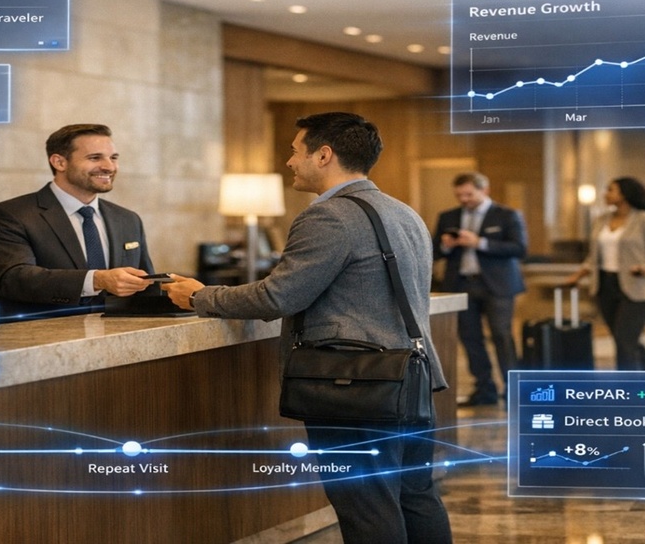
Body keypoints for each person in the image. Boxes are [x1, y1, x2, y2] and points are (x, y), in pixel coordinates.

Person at [161, 112, 452, 544]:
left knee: (367, 505)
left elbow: (277, 297)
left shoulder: (329, 216)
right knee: (416, 496)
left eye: (296, 151)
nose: (290, 161)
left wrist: (200, 296)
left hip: (355, 385)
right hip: (411, 378)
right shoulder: (402, 211)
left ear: (324, 154)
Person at [0, 124, 154, 319]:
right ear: (59, 162)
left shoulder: (128, 219)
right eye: (95, 158)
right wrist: (97, 280)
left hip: (118, 334)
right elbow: (14, 279)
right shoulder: (7, 216)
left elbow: (145, 288)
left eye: (113, 158)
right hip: (37, 333)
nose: (109, 167)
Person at [433, 172, 526, 407]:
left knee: (502, 336)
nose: (464, 199)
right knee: (470, 339)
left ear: (484, 190)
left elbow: (519, 248)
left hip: (497, 285)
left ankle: (514, 389)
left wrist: (479, 243)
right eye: (459, 195)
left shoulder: (507, 215)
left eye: (469, 194)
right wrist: (445, 246)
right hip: (462, 284)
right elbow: (434, 251)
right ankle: (484, 390)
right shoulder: (448, 216)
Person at [564, 177, 645, 370]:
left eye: (611, 190)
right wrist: (578, 276)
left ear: (625, 194)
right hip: (606, 285)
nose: (605, 194)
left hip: (639, 285)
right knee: (624, 339)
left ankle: (627, 386)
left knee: (625, 339)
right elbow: (593, 257)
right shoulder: (601, 220)